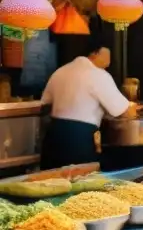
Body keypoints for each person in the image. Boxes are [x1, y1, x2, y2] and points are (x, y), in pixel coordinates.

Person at [40, 40, 133, 169]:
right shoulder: (99, 75)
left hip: (53, 136)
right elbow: (123, 111)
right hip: (79, 139)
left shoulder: (60, 71)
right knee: (81, 183)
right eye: (107, 56)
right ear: (95, 53)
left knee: (50, 182)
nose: (109, 63)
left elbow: (45, 102)